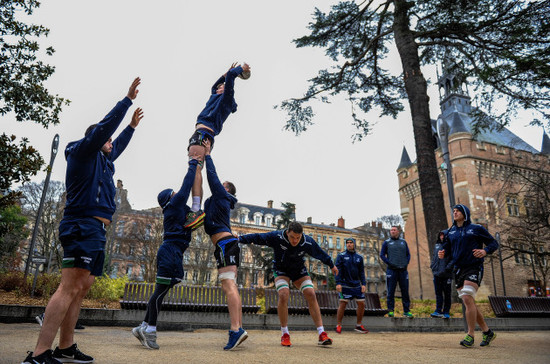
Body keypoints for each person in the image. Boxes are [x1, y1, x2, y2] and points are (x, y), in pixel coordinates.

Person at [22, 78, 143, 364]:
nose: (112, 143)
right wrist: (126, 101)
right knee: (68, 287)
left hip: (97, 231)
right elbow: (104, 130)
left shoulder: (104, 162)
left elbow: (118, 146)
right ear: (97, 140)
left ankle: (65, 346)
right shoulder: (83, 152)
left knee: (81, 288)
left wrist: (131, 129)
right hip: (81, 225)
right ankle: (39, 354)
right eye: (108, 140)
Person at [132, 156, 202, 350]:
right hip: (170, 252)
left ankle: (144, 327)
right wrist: (194, 163)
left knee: (159, 293)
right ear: (170, 198)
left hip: (172, 252)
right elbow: (187, 185)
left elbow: (194, 214)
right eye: (174, 193)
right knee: (159, 294)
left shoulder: (175, 211)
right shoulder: (174, 206)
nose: (178, 193)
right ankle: (150, 331)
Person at [238, 221, 338, 347]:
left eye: (298, 238)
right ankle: (285, 334)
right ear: (287, 232)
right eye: (292, 237)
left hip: (298, 271)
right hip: (281, 270)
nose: (295, 241)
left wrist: (332, 265)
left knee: (311, 293)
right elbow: (258, 237)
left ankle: (321, 333)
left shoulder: (307, 241)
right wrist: (240, 239)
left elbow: (320, 253)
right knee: (284, 294)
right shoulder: (277, 237)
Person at [184, 63, 251, 228]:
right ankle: (195, 207)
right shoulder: (215, 97)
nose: (219, 87)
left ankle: (195, 208)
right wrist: (225, 73)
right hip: (201, 134)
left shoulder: (226, 101)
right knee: (195, 170)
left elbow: (229, 80)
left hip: (204, 134)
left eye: (223, 86)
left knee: (196, 169)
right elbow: (215, 85)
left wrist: (239, 70)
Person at [202, 140, 248, 351]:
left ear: (226, 189)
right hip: (226, 244)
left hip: (225, 244)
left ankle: (235, 329)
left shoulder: (222, 196)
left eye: (223, 185)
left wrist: (208, 155)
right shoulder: (214, 202)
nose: (219, 186)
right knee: (231, 286)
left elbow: (212, 178)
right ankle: (237, 328)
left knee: (229, 286)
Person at [438, 204, 499, 347]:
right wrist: (443, 253)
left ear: (465, 213)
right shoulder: (451, 232)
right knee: (468, 301)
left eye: (457, 210)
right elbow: (447, 247)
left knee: (466, 297)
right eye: (453, 211)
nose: (455, 213)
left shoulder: (476, 229)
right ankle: (487, 331)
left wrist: (485, 251)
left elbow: (493, 243)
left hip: (474, 267)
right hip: (458, 269)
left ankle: (470, 335)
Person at [334, 237, 369, 334]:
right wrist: (338, 283)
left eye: (351, 243)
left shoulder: (359, 257)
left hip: (357, 285)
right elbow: (337, 271)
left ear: (354, 244)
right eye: (347, 243)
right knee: (343, 303)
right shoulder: (341, 256)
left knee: (362, 304)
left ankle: (358, 325)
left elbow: (361, 272)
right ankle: (339, 325)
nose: (349, 244)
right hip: (345, 285)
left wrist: (363, 284)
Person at [380, 226, 413, 318]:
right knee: (390, 292)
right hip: (392, 271)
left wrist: (406, 263)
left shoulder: (403, 242)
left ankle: (406, 311)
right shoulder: (386, 242)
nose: (393, 231)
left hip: (403, 271)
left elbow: (408, 254)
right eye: (391, 230)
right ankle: (391, 311)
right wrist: (389, 263)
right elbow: (382, 255)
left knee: (405, 292)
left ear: (398, 231)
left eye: (394, 230)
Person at [430, 231, 452, 319]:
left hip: (446, 274)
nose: (442, 236)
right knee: (438, 293)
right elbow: (434, 257)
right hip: (436, 273)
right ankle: (438, 310)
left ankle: (446, 312)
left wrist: (448, 268)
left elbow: (453, 259)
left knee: (447, 294)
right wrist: (432, 266)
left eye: (443, 235)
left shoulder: (450, 246)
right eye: (441, 235)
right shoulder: (436, 245)